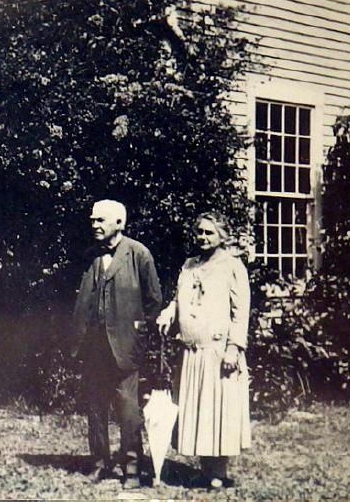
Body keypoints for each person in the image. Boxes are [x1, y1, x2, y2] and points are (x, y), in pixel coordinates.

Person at [156, 211, 251, 490]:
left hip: (218, 352)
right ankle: (204, 470)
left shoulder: (232, 266)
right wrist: (169, 313)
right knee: (199, 410)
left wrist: (234, 348)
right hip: (191, 352)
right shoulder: (189, 265)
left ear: (222, 236)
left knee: (218, 410)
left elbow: (241, 312)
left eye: (209, 232)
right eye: (199, 231)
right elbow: (179, 299)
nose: (203, 237)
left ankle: (218, 472)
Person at [72, 199, 162, 490]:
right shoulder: (90, 256)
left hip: (125, 347)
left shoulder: (139, 254)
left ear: (119, 223)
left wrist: (138, 336)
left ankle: (132, 467)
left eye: (101, 220)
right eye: (93, 219)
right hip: (94, 346)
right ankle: (100, 463)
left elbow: (154, 301)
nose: (94, 225)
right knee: (96, 406)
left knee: (128, 409)